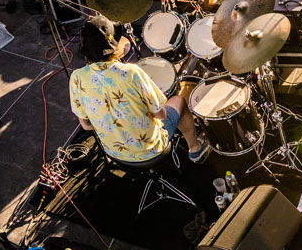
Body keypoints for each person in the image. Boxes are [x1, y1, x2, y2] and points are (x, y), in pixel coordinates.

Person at [70, 14, 207, 163]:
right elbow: (160, 115)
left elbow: (86, 125)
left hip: (114, 152)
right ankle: (195, 149)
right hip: (150, 149)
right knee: (178, 100)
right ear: (113, 46)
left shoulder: (77, 78)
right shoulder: (130, 72)